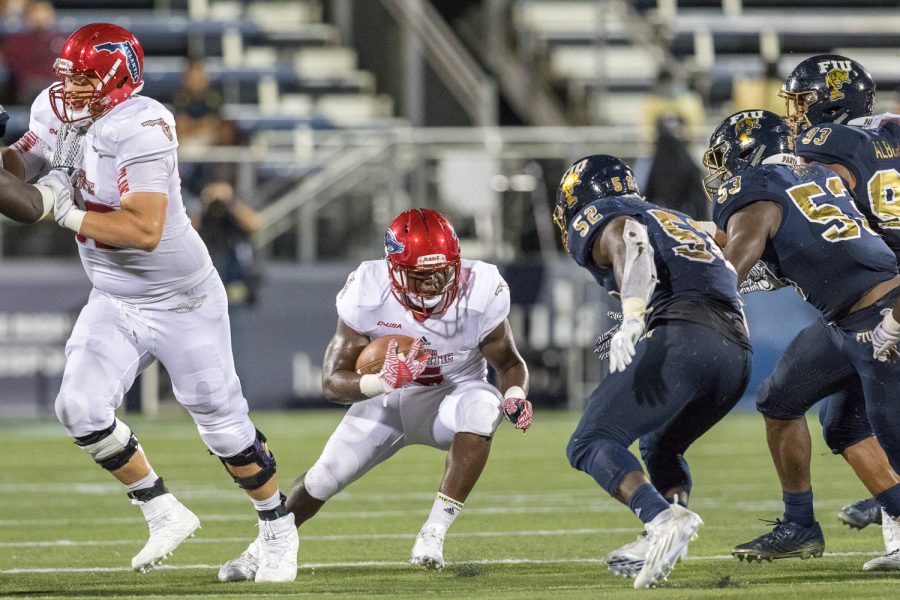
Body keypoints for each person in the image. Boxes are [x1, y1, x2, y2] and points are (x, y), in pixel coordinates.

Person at [0, 23, 298, 581]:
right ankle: (162, 509)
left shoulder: (143, 124)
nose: (70, 88)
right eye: (70, 75)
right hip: (115, 296)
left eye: (86, 78)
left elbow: (144, 229)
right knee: (79, 408)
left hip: (182, 299)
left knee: (226, 429)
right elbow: (20, 176)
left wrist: (63, 210)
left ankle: (276, 528)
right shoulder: (56, 108)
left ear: (115, 81)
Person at [218, 208, 533, 581]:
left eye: (441, 274)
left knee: (485, 406)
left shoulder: (481, 287)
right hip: (389, 401)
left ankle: (433, 533)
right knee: (322, 479)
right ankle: (260, 552)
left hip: (455, 395)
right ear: (394, 271)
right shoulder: (367, 290)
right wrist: (381, 382)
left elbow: (510, 362)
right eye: (420, 277)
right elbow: (332, 383)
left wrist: (514, 394)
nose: (433, 287)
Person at [703, 109, 900, 570]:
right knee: (780, 399)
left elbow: (736, 260)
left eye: (723, 158)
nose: (719, 172)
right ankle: (799, 525)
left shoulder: (754, 192)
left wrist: (693, 309)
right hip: (847, 319)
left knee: (894, 442)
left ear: (745, 154)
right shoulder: (814, 174)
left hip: (880, 322)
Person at [553, 155, 751, 589]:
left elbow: (631, 240)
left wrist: (632, 315)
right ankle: (667, 521)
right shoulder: (679, 218)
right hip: (736, 353)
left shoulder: (609, 214)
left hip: (686, 336)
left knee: (590, 440)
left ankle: (661, 518)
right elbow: (722, 248)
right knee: (660, 444)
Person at [194, 181, 262, 306]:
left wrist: (230, 202)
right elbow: (191, 229)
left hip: (234, 277)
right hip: (208, 275)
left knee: (233, 315)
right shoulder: (205, 214)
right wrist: (205, 204)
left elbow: (255, 223)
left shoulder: (235, 211)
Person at [0, 1, 66, 104]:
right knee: (36, 88)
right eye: (35, 12)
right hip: (28, 92)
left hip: (59, 89)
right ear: (27, 17)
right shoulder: (16, 41)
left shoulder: (63, 40)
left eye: (44, 12)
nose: (40, 17)